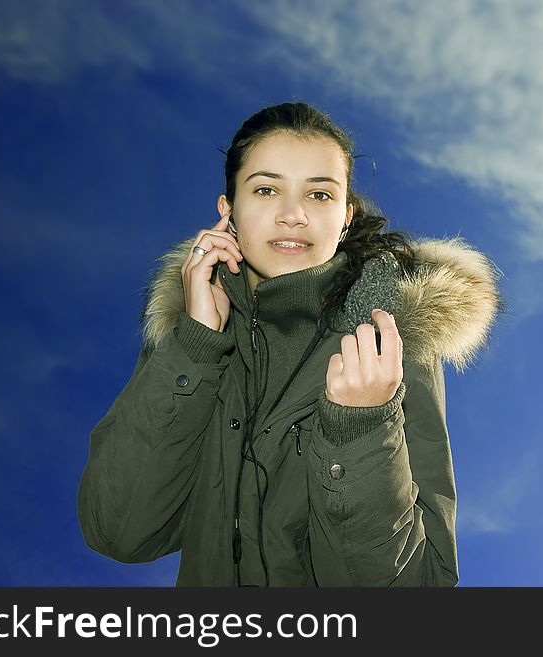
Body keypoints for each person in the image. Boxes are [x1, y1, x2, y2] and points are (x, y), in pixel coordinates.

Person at [77, 101, 501, 586]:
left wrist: (360, 429)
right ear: (228, 210)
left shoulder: (392, 339)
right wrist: (195, 348)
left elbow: (420, 586)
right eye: (265, 189)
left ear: (346, 216)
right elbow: (118, 530)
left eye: (319, 195)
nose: (293, 215)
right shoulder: (191, 339)